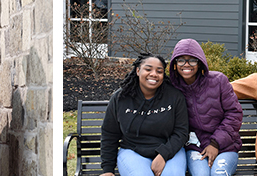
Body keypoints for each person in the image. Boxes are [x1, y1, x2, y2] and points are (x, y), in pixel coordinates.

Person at [100, 54, 189, 176]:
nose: (153, 74)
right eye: (148, 69)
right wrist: (108, 170)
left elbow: (181, 132)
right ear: (138, 70)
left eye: (159, 71)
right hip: (133, 152)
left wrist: (163, 154)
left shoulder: (175, 97)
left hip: (170, 151)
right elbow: (109, 134)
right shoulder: (121, 98)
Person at [167, 39, 243, 176]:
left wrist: (215, 143)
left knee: (219, 174)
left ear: (200, 62)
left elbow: (234, 114)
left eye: (192, 60)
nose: (186, 64)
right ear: (175, 63)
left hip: (225, 147)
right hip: (196, 148)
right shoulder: (172, 88)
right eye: (181, 60)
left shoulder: (219, 81)